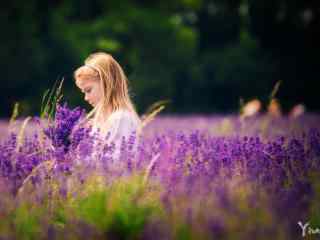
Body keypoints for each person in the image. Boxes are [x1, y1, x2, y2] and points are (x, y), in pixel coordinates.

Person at [73, 52, 141, 162]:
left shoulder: (121, 118)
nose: (85, 98)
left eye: (88, 90)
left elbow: (117, 163)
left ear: (107, 83)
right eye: (83, 92)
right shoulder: (102, 121)